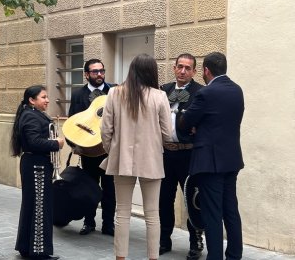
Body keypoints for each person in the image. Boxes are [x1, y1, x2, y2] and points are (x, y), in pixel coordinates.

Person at [100, 53, 172, 260]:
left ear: (131, 70)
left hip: (121, 159)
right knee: (152, 213)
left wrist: (112, 150)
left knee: (121, 211)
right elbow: (167, 133)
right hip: (151, 159)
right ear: (152, 72)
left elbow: (105, 130)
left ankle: (120, 257)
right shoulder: (159, 96)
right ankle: (153, 257)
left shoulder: (114, 93)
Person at [180, 52, 244, 260]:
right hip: (231, 160)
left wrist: (196, 126)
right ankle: (234, 255)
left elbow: (185, 122)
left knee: (212, 213)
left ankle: (214, 257)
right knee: (231, 210)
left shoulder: (206, 93)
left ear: (206, 70)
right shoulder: (237, 90)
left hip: (209, 163)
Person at [159, 53, 205, 259]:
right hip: (165, 154)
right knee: (164, 200)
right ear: (174, 68)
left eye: (188, 68)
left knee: (192, 201)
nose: (183, 71)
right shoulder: (163, 91)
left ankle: (195, 243)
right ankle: (163, 240)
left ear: (194, 71)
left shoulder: (201, 92)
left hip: (188, 154)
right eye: (180, 66)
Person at [11, 85, 64, 260]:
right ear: (32, 100)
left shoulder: (32, 114)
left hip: (36, 164)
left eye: (47, 97)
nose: (47, 100)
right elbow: (34, 142)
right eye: (43, 97)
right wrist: (56, 143)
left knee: (32, 206)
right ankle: (39, 251)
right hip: (37, 166)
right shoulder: (31, 116)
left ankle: (26, 247)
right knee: (40, 207)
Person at [68, 58, 116, 236]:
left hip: (109, 151)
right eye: (95, 72)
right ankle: (89, 222)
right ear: (86, 74)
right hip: (88, 152)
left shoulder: (114, 92)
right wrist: (74, 145)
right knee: (89, 188)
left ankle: (108, 224)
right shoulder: (77, 95)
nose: (99, 74)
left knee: (110, 190)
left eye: (102, 71)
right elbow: (72, 120)